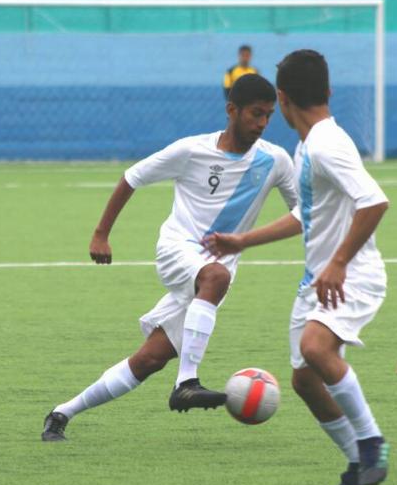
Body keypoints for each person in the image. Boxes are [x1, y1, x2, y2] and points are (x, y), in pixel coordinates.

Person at [41, 74, 296, 441]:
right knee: (216, 277)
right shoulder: (191, 150)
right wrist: (101, 233)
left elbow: (304, 214)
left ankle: (62, 413)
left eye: (268, 116)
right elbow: (132, 177)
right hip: (178, 249)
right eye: (255, 114)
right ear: (231, 110)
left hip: (211, 276)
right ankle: (187, 383)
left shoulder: (275, 161)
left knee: (150, 359)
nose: (262, 124)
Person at [203, 49, 390, 485]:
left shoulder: (327, 144)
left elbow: (375, 201)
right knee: (305, 379)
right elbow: (307, 214)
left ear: (282, 99)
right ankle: (355, 463)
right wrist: (242, 240)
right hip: (317, 280)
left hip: (351, 275)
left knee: (315, 347)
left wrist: (340, 262)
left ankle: (372, 445)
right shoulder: (309, 144)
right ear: (327, 91)